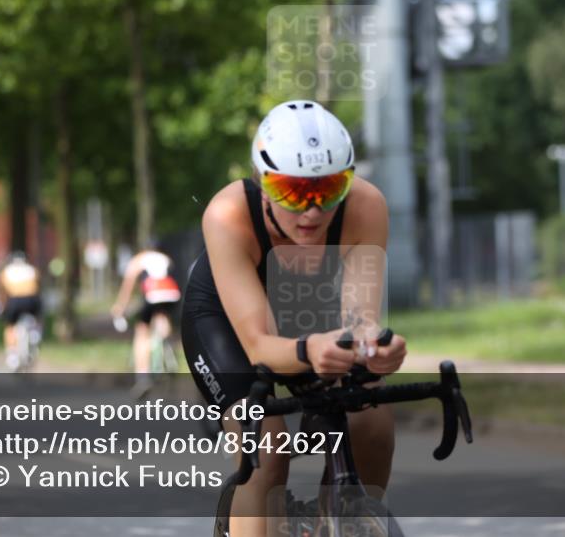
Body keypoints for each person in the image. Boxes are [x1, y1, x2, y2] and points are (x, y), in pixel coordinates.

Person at [180, 100, 406, 537]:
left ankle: (339, 522)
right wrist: (310, 350)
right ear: (262, 183)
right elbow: (259, 345)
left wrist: (376, 348)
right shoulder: (228, 214)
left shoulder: (366, 206)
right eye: (293, 192)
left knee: (373, 423)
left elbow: (360, 318)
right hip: (228, 321)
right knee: (267, 452)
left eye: (330, 189)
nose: (312, 211)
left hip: (310, 313)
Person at [110, 247, 182, 393]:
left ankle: (143, 377)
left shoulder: (137, 261)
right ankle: (168, 347)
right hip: (172, 293)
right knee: (162, 316)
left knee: (142, 331)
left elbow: (128, 286)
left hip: (153, 293)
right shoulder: (165, 257)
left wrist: (120, 307)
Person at [0, 252, 42, 370]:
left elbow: (2, 291)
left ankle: (12, 355)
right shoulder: (32, 270)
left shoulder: (6, 271)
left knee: (10, 326)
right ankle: (35, 335)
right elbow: (38, 287)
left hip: (15, 300)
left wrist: (1, 305)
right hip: (32, 300)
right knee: (38, 319)